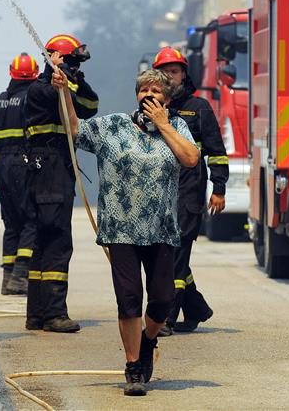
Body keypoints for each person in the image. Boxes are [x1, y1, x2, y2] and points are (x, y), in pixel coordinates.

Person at [63, 68, 199, 396]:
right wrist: (64, 92)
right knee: (128, 300)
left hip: (161, 229)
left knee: (163, 300)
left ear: (167, 101)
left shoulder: (177, 127)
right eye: (143, 91)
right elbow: (75, 128)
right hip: (121, 228)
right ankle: (134, 365)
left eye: (156, 92)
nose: (148, 96)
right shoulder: (114, 126)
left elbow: (191, 159)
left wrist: (164, 125)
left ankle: (148, 340)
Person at [24, 34, 98, 333]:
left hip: (53, 166)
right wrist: (62, 80)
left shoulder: (68, 84)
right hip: (49, 165)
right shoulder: (41, 88)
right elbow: (58, 97)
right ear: (55, 58)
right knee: (55, 238)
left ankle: (36, 314)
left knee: (44, 239)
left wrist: (71, 78)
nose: (73, 68)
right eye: (70, 61)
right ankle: (53, 313)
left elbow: (90, 104)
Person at [152, 47, 228, 335]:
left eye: (174, 71)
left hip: (189, 190)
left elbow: (216, 153)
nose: (169, 76)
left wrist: (218, 189)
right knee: (167, 252)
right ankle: (196, 308)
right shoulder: (153, 106)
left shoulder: (199, 108)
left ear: (184, 74)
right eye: (164, 72)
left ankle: (166, 319)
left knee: (177, 250)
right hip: (160, 189)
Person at [0, 53, 39, 295]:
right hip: (23, 162)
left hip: (2, 165)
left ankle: (7, 279)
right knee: (32, 217)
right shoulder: (31, 98)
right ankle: (20, 274)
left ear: (11, 72)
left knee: (11, 222)